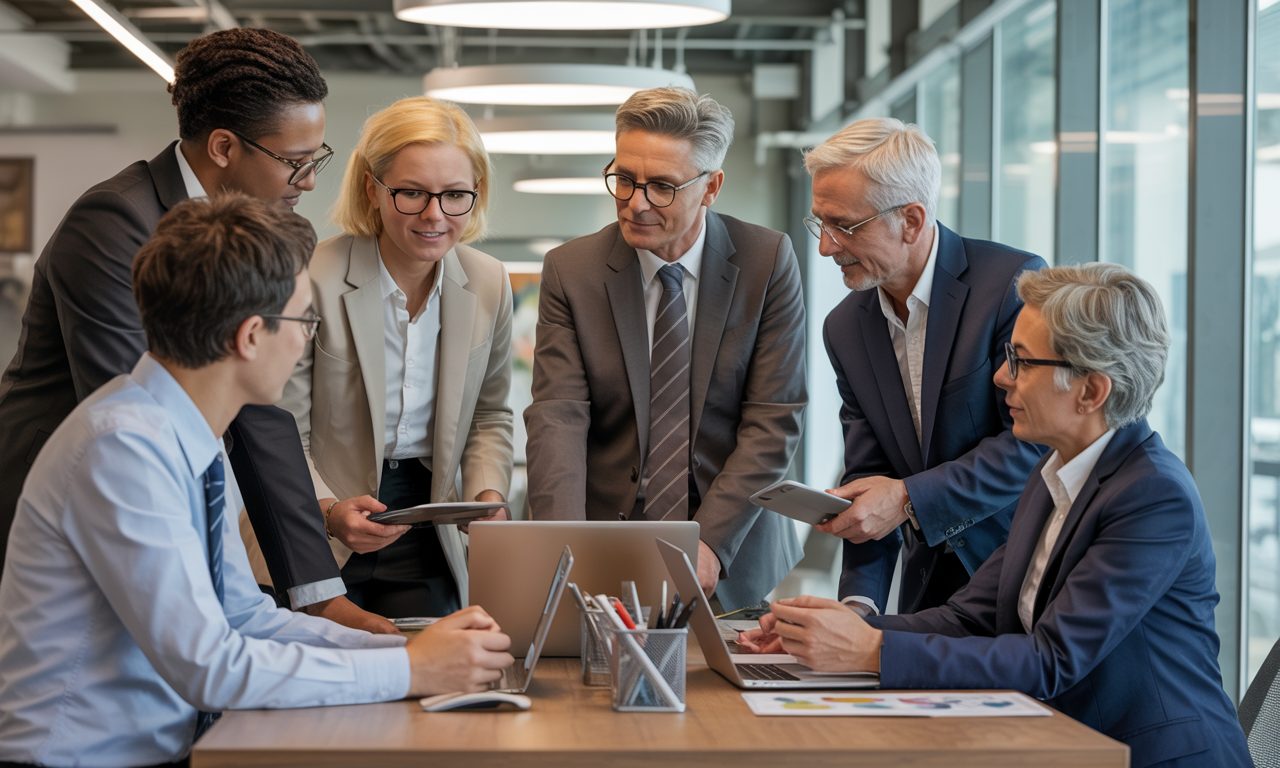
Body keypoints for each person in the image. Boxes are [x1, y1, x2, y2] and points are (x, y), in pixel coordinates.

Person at [0, 193, 514, 768]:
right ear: (250, 336)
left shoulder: (183, 431)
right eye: (304, 320)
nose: (305, 341)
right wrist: (411, 669)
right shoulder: (123, 447)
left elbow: (245, 617)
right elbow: (210, 666)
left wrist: (400, 643)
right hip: (78, 759)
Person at [739, 263, 1251, 768]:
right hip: (1061, 741)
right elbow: (971, 617)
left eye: (1022, 361)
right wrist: (829, 630)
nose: (1002, 377)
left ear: (1092, 390)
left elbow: (1051, 660)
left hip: (1147, 756)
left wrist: (871, 651)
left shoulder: (1153, 496)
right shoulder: (1054, 473)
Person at [0, 28, 388, 632]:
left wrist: (318, 594)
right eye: (296, 162)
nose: (311, 181)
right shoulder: (114, 223)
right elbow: (140, 412)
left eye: (319, 158)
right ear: (225, 147)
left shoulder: (268, 232)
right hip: (66, 511)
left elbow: (255, 402)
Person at [524, 87, 806, 611]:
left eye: (661, 187)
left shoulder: (766, 261)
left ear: (712, 186)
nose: (635, 203)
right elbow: (557, 417)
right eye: (625, 179)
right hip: (605, 538)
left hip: (733, 547)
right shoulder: (572, 270)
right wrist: (563, 547)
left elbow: (773, 418)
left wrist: (710, 544)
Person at [280, 96, 513, 618]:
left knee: (433, 672)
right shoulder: (310, 277)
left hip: (430, 518)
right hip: (318, 517)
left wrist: (486, 492)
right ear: (373, 188)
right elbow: (280, 429)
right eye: (411, 193)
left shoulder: (489, 282)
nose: (435, 215)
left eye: (455, 195)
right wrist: (326, 510)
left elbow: (490, 414)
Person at [805, 117, 1046, 615]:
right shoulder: (846, 328)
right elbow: (871, 479)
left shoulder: (1011, 285)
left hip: (1030, 579)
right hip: (932, 599)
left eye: (843, 226)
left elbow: (1034, 444)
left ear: (911, 221)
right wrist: (858, 607)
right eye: (820, 223)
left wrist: (909, 498)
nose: (826, 246)